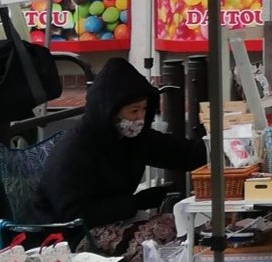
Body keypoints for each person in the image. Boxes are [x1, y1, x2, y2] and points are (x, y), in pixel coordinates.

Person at [41, 57, 207, 227]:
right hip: (74, 231)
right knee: (166, 234)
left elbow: (180, 152)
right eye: (134, 111)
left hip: (116, 218)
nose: (140, 118)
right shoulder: (76, 149)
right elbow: (73, 213)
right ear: (111, 112)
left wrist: (220, 150)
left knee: (184, 227)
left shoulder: (133, 137)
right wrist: (134, 203)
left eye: (144, 109)